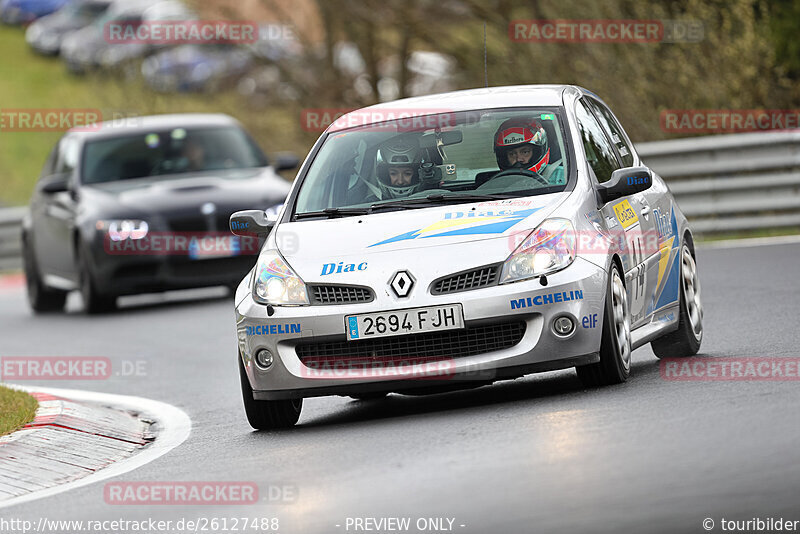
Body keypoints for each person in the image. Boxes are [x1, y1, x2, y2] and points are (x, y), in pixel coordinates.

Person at [493, 117, 564, 184]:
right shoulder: (499, 183)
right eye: (512, 154)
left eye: (525, 152)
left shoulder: (563, 178)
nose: (518, 159)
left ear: (536, 152)